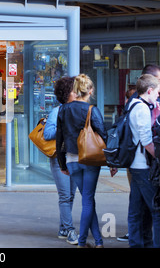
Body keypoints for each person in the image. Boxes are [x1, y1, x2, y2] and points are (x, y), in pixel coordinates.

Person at [56, 74, 107, 248]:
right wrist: (112, 161)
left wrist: (62, 164)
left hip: (71, 160)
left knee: (87, 200)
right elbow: (103, 135)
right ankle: (83, 241)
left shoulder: (63, 109)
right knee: (88, 200)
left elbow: (59, 139)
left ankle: (98, 241)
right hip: (90, 159)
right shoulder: (92, 109)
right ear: (90, 90)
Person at [117, 64, 160, 243]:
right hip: (143, 166)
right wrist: (157, 156)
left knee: (136, 209)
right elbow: (145, 139)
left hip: (135, 165)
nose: (158, 95)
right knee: (156, 210)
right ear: (150, 90)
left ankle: (137, 243)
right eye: (157, 91)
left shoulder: (133, 103)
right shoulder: (142, 108)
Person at [43, 76, 78, 245]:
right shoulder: (57, 111)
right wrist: (65, 127)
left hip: (74, 158)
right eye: (74, 90)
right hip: (60, 158)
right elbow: (47, 134)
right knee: (65, 196)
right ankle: (70, 230)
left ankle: (63, 227)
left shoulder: (78, 109)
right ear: (67, 93)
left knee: (71, 195)